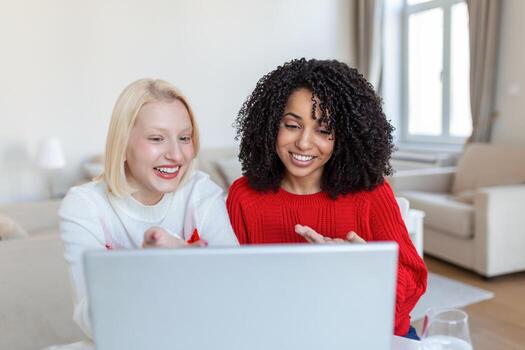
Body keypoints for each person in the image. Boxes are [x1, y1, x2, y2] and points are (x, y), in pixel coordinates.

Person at [227, 58, 427, 339]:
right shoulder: (244, 196)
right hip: (284, 335)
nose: (304, 143)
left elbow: (412, 286)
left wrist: (364, 268)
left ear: (345, 136)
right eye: (292, 125)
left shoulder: (371, 194)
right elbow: (231, 289)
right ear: (271, 125)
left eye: (324, 130)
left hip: (366, 333)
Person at [59, 78, 239, 339]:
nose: (177, 155)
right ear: (122, 144)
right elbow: (91, 321)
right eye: (157, 138)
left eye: (185, 138)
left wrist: (184, 262)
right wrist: (144, 269)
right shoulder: (84, 206)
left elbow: (236, 291)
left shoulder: (200, 191)